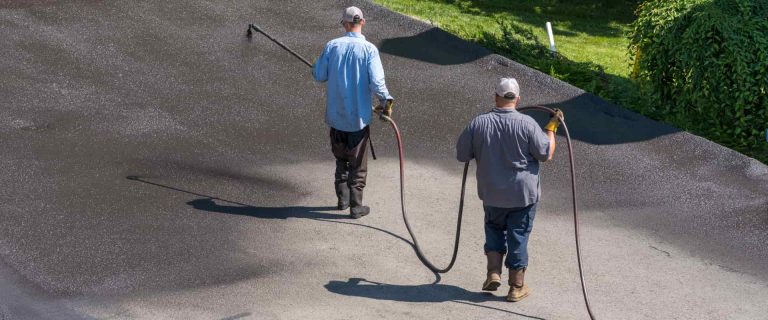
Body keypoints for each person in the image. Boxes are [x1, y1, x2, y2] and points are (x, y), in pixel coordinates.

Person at [455, 78, 562, 302]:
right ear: (518, 99)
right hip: (523, 195)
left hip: (492, 194)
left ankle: (493, 273)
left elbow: (462, 154)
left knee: (494, 229)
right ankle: (516, 286)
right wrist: (551, 128)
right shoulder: (528, 124)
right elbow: (546, 154)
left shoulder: (478, 123)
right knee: (518, 236)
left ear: (496, 97)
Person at [313, 6, 394, 219]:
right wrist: (386, 102)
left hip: (336, 118)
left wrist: (323, 65)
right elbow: (377, 82)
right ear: (363, 22)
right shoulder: (369, 50)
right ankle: (356, 207)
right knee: (357, 165)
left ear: (345, 24)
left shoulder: (332, 46)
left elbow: (319, 75)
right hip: (358, 120)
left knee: (341, 161)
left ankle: (342, 200)